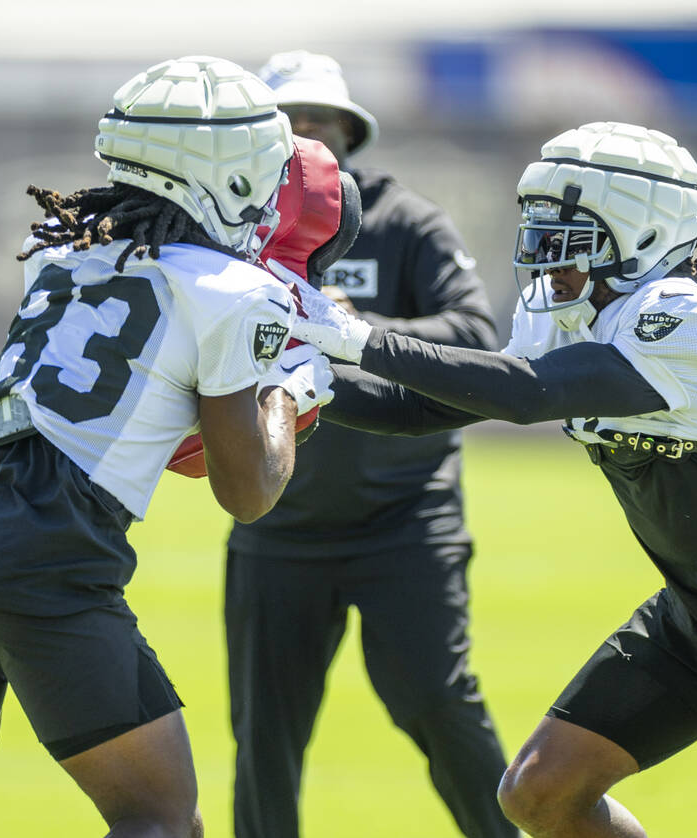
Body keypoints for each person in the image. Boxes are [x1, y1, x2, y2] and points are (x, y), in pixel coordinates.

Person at [285, 121, 697, 838]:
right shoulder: (565, 311)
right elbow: (424, 407)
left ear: (638, 232)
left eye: (566, 237)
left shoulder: (685, 316)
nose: (546, 260)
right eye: (539, 234)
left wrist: (350, 335)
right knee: (538, 795)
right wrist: (305, 382)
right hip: (694, 610)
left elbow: (526, 392)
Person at [0, 55, 355, 838]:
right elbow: (248, 494)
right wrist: (291, 390)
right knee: (160, 819)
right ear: (223, 176)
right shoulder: (232, 291)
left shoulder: (60, 254)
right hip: (51, 566)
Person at [221, 50, 517, 838]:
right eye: (286, 118)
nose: (304, 129)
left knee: (438, 702)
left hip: (406, 518)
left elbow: (477, 337)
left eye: (320, 117)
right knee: (265, 738)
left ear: (351, 132)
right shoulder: (232, 228)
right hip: (277, 522)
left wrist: (353, 332)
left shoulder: (405, 220)